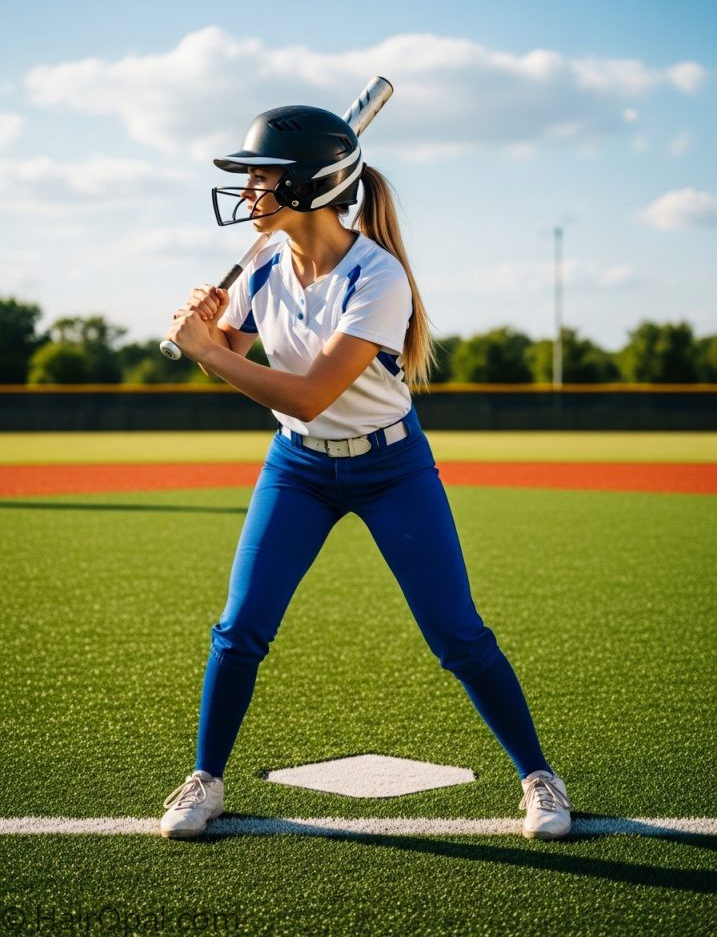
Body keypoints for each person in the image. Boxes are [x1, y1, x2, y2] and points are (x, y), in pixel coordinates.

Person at [160, 104, 572, 841]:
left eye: (263, 176)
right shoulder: (261, 262)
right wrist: (215, 326)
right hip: (298, 468)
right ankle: (205, 779)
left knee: (457, 635)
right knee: (240, 629)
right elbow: (236, 354)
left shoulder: (377, 277)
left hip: (391, 469)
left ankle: (539, 778)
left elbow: (313, 393)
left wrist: (207, 351)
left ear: (310, 187)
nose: (250, 189)